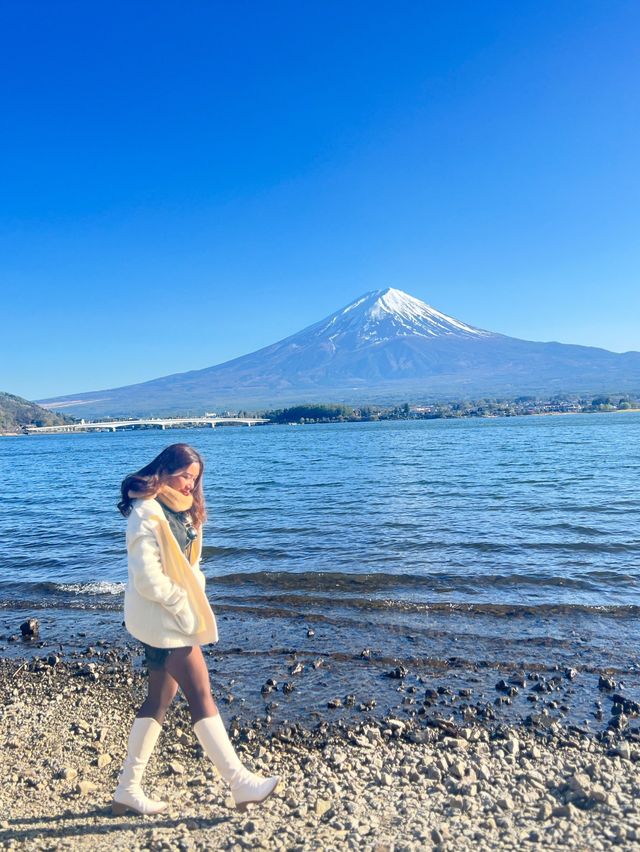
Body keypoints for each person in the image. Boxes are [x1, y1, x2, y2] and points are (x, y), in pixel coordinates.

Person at [111, 443, 279, 815]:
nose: (190, 484)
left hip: (169, 617)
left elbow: (189, 565)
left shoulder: (183, 512)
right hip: (164, 619)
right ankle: (240, 783)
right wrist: (181, 605)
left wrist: (193, 589)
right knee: (201, 694)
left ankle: (127, 789)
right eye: (185, 475)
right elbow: (148, 580)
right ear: (166, 470)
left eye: (195, 478)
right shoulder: (147, 513)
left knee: (158, 700)